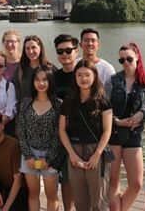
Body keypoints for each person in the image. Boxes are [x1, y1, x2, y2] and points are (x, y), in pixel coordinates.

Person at [106, 42, 145, 211]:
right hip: (113, 134)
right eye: (121, 60)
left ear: (137, 57)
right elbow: (104, 107)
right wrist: (116, 120)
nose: (126, 62)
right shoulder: (113, 80)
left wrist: (142, 113)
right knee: (113, 180)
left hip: (134, 135)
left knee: (136, 184)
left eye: (129, 58)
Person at [58, 60, 112, 211]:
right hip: (74, 151)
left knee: (99, 201)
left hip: (96, 150)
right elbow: (62, 130)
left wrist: (97, 154)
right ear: (74, 77)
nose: (83, 78)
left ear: (94, 76)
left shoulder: (102, 100)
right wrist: (71, 154)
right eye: (79, 75)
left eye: (87, 75)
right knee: (80, 201)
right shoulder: (69, 101)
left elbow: (107, 130)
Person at [16, 65, 63, 211]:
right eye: (37, 79)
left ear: (50, 81)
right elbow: (21, 131)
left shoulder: (58, 104)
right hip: (29, 155)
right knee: (33, 193)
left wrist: (48, 160)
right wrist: (28, 156)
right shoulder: (25, 103)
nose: (41, 83)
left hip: (50, 157)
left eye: (44, 79)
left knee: (51, 195)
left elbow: (59, 134)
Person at [53, 33, 80, 211]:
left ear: (76, 51)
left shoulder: (85, 72)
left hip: (84, 134)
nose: (64, 54)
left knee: (88, 179)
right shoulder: (54, 76)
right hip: (62, 134)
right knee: (67, 179)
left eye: (68, 50)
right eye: (60, 51)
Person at [13, 35, 56, 103]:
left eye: (33, 47)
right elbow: (16, 93)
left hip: (47, 111)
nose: (31, 51)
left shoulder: (50, 69)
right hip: (24, 111)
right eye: (27, 48)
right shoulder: (20, 70)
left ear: (40, 48)